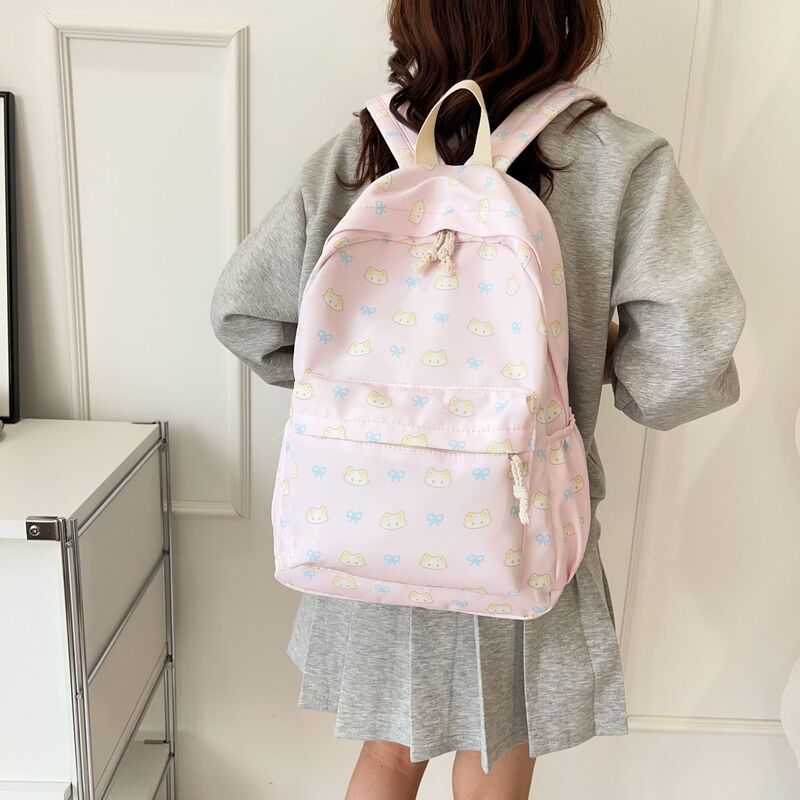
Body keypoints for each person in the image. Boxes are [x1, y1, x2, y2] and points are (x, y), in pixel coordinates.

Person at [209, 1, 746, 797]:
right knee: (501, 750)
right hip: (524, 514)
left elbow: (245, 312)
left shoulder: (364, 150)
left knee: (388, 754)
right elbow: (688, 354)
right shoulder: (615, 157)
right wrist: (594, 363)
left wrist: (359, 395)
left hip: (370, 509)